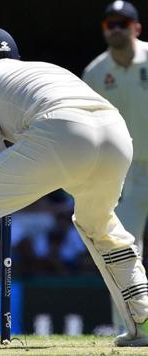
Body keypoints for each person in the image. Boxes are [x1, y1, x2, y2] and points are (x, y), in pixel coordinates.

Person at [0, 25, 148, 348]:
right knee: (99, 223)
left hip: (63, 131)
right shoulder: (39, 70)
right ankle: (143, 318)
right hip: (116, 136)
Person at [82, 0, 148, 334]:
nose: (117, 28)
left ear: (136, 27)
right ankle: (131, 325)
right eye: (110, 24)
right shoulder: (95, 73)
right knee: (121, 247)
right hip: (127, 173)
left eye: (123, 22)